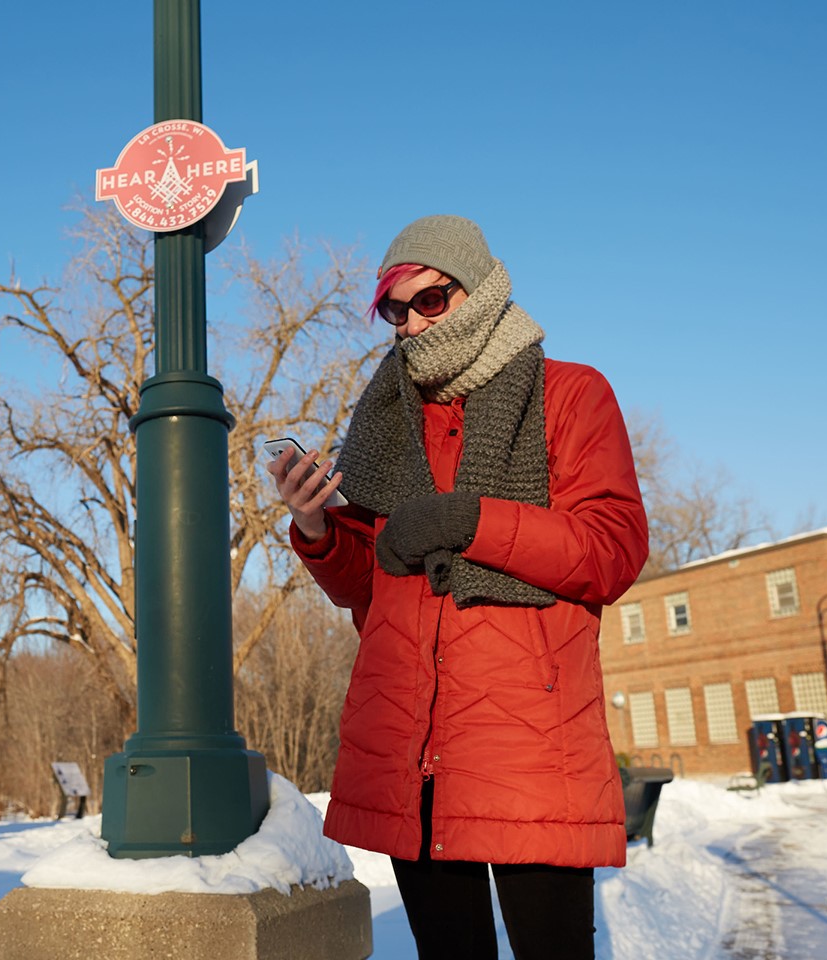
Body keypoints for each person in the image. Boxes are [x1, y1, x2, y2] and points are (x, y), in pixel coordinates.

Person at [267, 215, 648, 959]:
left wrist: (471, 519)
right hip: (411, 754)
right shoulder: (385, 424)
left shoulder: (569, 394)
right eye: (394, 309)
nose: (410, 323)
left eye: (431, 300)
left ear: (478, 289)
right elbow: (371, 595)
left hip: (529, 755)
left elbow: (611, 551)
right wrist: (316, 529)